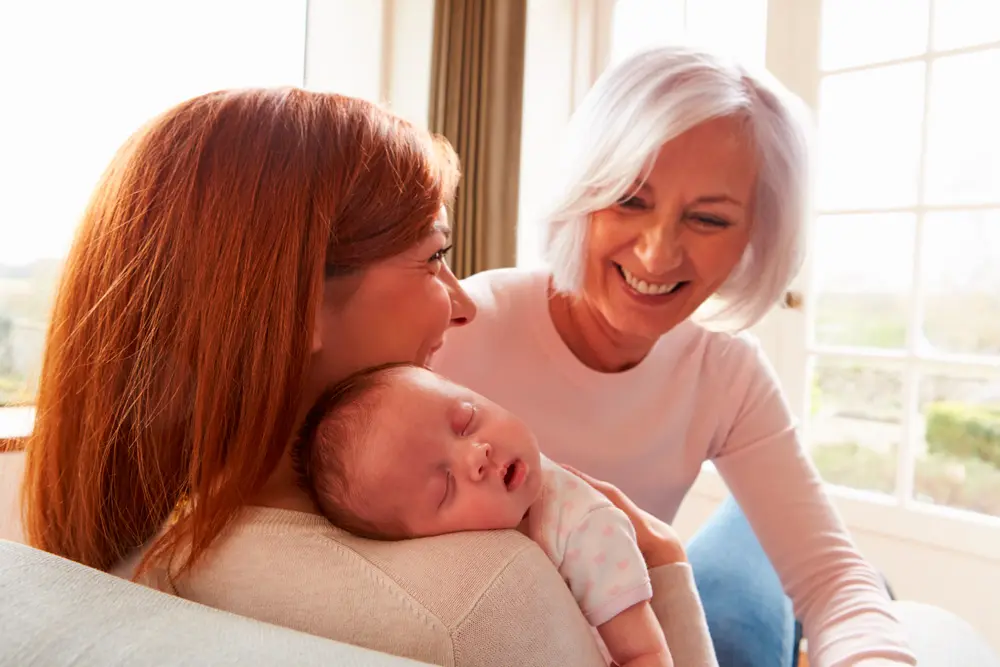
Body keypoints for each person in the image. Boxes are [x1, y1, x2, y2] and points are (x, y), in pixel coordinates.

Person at [18, 87, 718, 666]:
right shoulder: (484, 600)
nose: (465, 301)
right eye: (432, 258)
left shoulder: (123, 547)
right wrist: (668, 573)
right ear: (296, 309)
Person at [433, 46, 918, 667]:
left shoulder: (727, 373)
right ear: (586, 190)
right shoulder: (462, 326)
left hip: (650, 593)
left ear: (755, 236)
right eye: (631, 200)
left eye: (709, 220)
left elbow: (834, 582)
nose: (658, 256)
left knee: (795, 563)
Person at [292, 362, 673, 667]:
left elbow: (645, 652)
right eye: (445, 486)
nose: (477, 455)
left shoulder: (584, 526)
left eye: (467, 420)